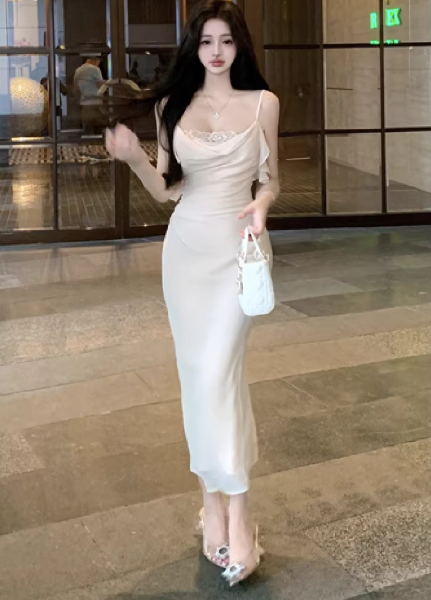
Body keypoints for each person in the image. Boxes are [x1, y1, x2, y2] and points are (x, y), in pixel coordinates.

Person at [105, 0, 279, 587]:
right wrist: (134, 157)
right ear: (194, 48)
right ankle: (212, 505)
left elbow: (272, 178)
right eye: (206, 41)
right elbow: (166, 191)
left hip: (238, 249)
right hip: (186, 254)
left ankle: (240, 511)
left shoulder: (264, 103)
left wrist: (261, 205)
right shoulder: (171, 107)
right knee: (199, 378)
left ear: (239, 45)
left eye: (226, 40)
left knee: (218, 374)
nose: (216, 51)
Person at [74, 55, 105, 134]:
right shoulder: (95, 69)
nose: (98, 64)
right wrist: (107, 83)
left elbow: (76, 87)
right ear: (95, 60)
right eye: (98, 62)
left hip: (84, 104)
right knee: (98, 130)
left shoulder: (78, 70)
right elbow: (100, 85)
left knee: (87, 131)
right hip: (95, 103)